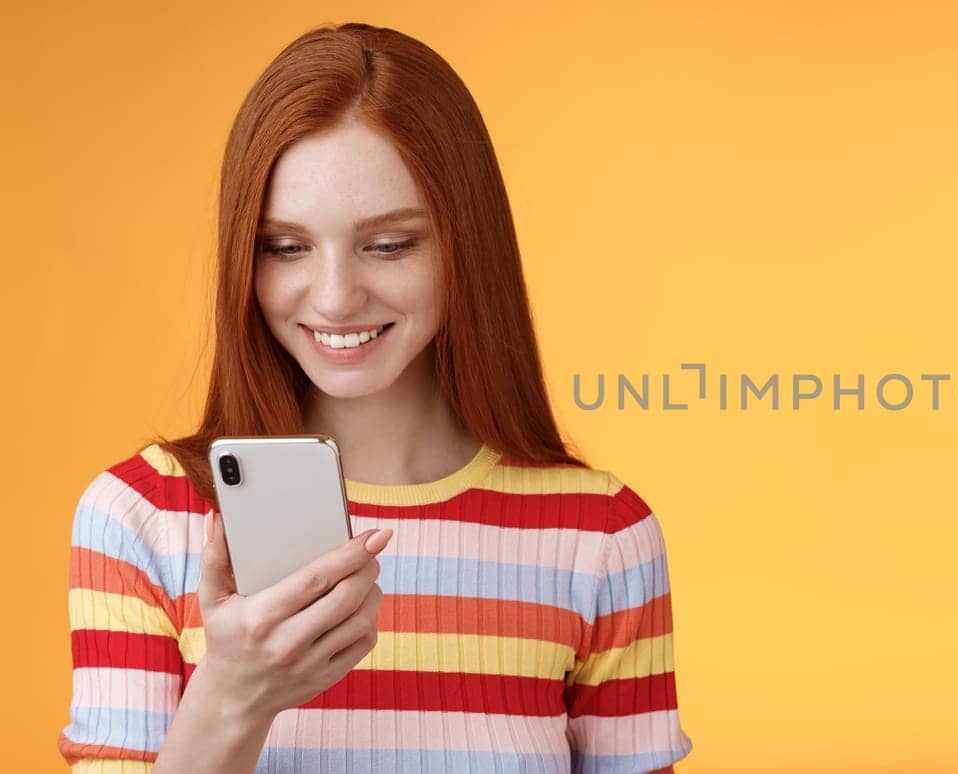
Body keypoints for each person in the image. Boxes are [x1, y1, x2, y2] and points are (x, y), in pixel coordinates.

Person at [57, 22, 692, 773]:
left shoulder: (602, 538)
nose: (334, 298)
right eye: (285, 247)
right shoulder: (142, 518)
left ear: (467, 244)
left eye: (389, 245)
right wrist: (234, 696)